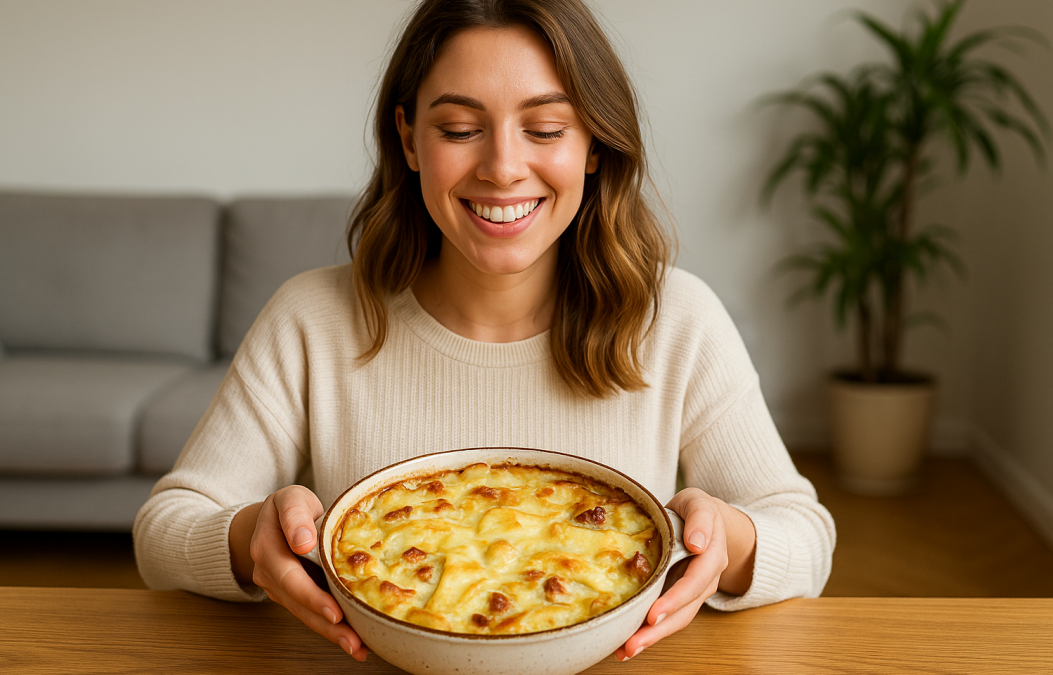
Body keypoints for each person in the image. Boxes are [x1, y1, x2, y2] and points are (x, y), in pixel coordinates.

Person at [134, 0, 835, 664]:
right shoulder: (311, 316)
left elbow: (807, 538)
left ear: (594, 143)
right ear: (408, 139)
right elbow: (163, 530)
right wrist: (248, 534)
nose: (502, 167)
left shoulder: (676, 318)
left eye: (547, 128)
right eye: (460, 129)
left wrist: (727, 541)